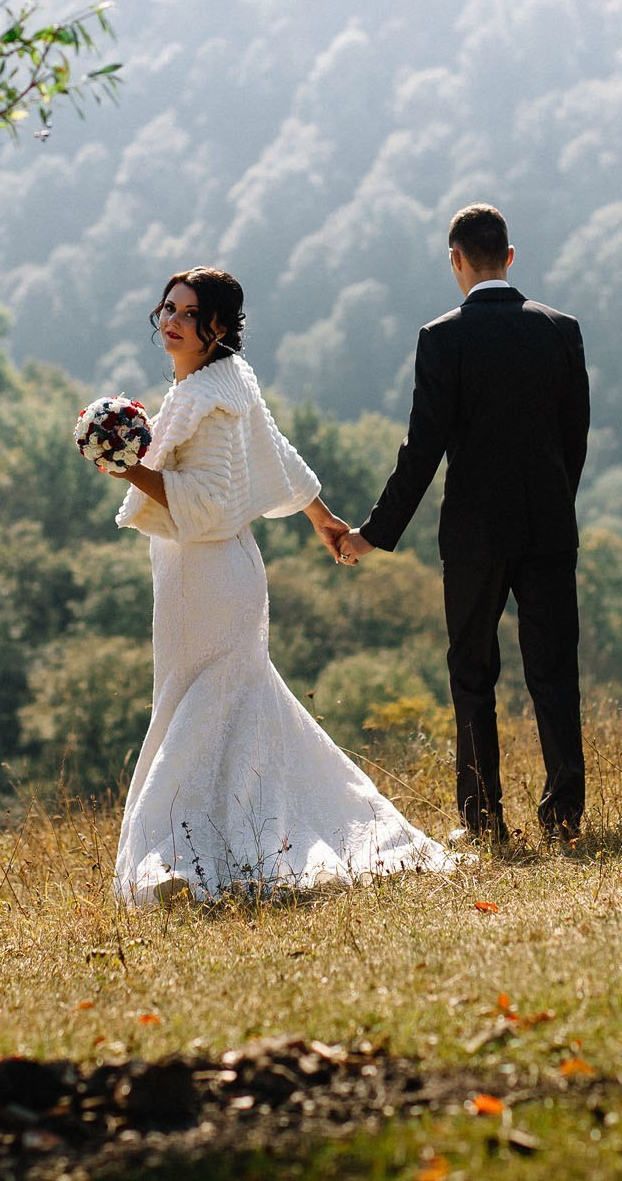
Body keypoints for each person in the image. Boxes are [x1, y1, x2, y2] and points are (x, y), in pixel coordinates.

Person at [95, 266, 460, 905]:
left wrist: (127, 467)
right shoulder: (227, 381)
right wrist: (322, 516)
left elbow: (206, 507)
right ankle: (232, 842)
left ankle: (177, 859)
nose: (171, 323)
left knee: (198, 708)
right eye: (168, 310)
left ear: (218, 329)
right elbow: (276, 452)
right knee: (230, 704)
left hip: (205, 576)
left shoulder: (208, 394)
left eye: (187, 315)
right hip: (219, 572)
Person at [337, 205, 591, 847]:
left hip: (475, 536)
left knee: (473, 675)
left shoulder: (441, 337)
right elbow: (575, 437)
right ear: (510, 257)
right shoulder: (562, 329)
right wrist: (557, 500)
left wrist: (374, 531)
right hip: (549, 528)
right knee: (554, 672)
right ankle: (563, 815)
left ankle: (484, 821)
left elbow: (422, 448)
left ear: (456, 259)